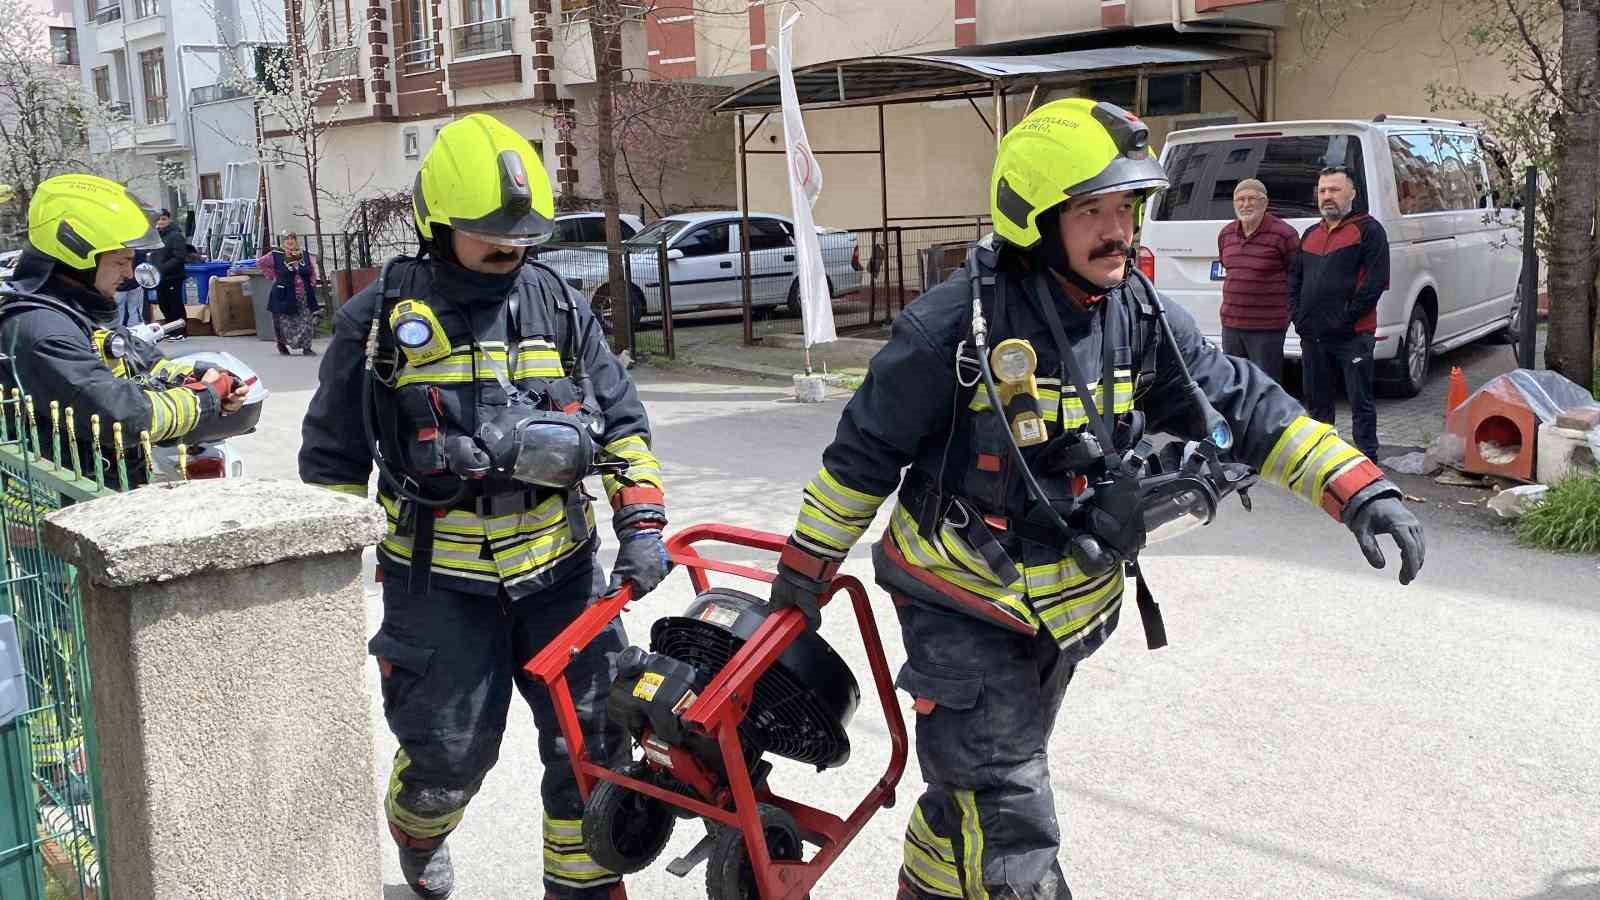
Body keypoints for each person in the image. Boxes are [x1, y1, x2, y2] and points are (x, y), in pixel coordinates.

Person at [765, 99, 1426, 900]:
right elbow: (860, 457)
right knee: (1011, 820)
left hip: (1065, 613)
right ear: (1035, 219)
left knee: (970, 798)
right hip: (962, 604)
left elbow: (1245, 404)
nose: (1119, 230)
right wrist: (802, 578)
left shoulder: (1135, 311)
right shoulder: (952, 328)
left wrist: (1357, 489)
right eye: (1090, 211)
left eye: (1126, 207)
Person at [299, 113, 668, 900]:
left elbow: (623, 424)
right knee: (447, 756)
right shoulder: (377, 323)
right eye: (490, 234)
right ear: (439, 223)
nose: (511, 248)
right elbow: (331, 461)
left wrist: (641, 521)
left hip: (563, 574)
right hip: (439, 584)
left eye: (522, 234)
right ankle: (418, 825)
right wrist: (321, 588)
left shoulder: (560, 307)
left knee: (593, 747)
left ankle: (582, 888)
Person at [0, 174, 248, 484]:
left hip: (102, 490)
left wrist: (201, 376)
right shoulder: (41, 330)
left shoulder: (79, 312)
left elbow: (147, 363)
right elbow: (124, 416)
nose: (129, 273)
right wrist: (207, 396)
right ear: (77, 255)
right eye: (120, 261)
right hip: (57, 512)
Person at [1289, 165, 1390, 461]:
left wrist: (1345, 320)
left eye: (1334, 190)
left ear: (1352, 193)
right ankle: (1322, 459)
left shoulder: (1369, 230)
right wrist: (1298, 316)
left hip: (1353, 336)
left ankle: (1367, 460)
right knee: (1317, 402)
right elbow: (1294, 280)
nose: (1327, 196)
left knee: (1360, 401)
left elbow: (1375, 283)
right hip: (1313, 335)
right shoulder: (1309, 234)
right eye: (1322, 191)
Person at [1218, 178, 1298, 382]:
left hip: (1267, 328)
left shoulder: (1284, 234)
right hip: (1231, 326)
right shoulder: (1226, 234)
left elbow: (1297, 275)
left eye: (1252, 199)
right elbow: (1230, 270)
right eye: (1240, 199)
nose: (1245, 204)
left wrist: (1290, 314)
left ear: (1265, 203)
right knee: (1235, 384)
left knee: (1265, 385)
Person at [256, 231, 319, 356]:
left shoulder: (302, 255)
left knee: (306, 321)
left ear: (296, 241)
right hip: (284, 294)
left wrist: (312, 282)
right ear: (283, 242)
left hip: (303, 294)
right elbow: (261, 263)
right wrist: (273, 276)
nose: (290, 241)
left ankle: (307, 347)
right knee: (284, 323)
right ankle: (282, 344)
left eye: (292, 239)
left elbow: (311, 270)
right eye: (287, 239)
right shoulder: (276, 255)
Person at [150, 208, 189, 339]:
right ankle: (171, 330)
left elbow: (179, 257)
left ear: (169, 220)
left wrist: (162, 268)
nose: (160, 222)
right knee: (164, 304)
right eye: (158, 219)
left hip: (173, 276)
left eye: (163, 219)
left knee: (175, 304)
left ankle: (181, 331)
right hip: (160, 278)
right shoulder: (157, 235)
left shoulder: (175, 235)